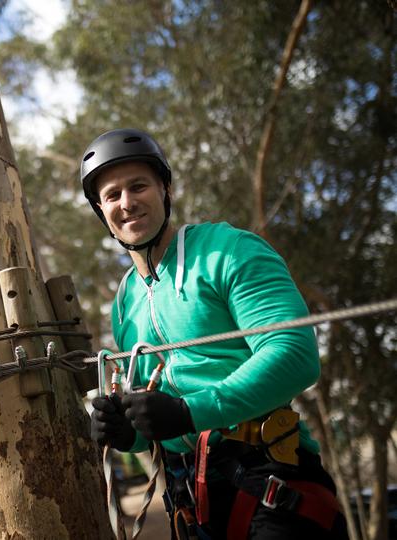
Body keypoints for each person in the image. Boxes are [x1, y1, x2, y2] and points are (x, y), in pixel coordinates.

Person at [82, 128, 347, 539]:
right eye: (112, 195)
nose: (127, 202)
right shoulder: (124, 302)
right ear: (101, 211)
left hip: (268, 480)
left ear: (165, 189)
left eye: (138, 187)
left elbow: (294, 353)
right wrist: (127, 433)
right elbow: (153, 422)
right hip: (189, 503)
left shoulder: (229, 250)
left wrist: (190, 411)